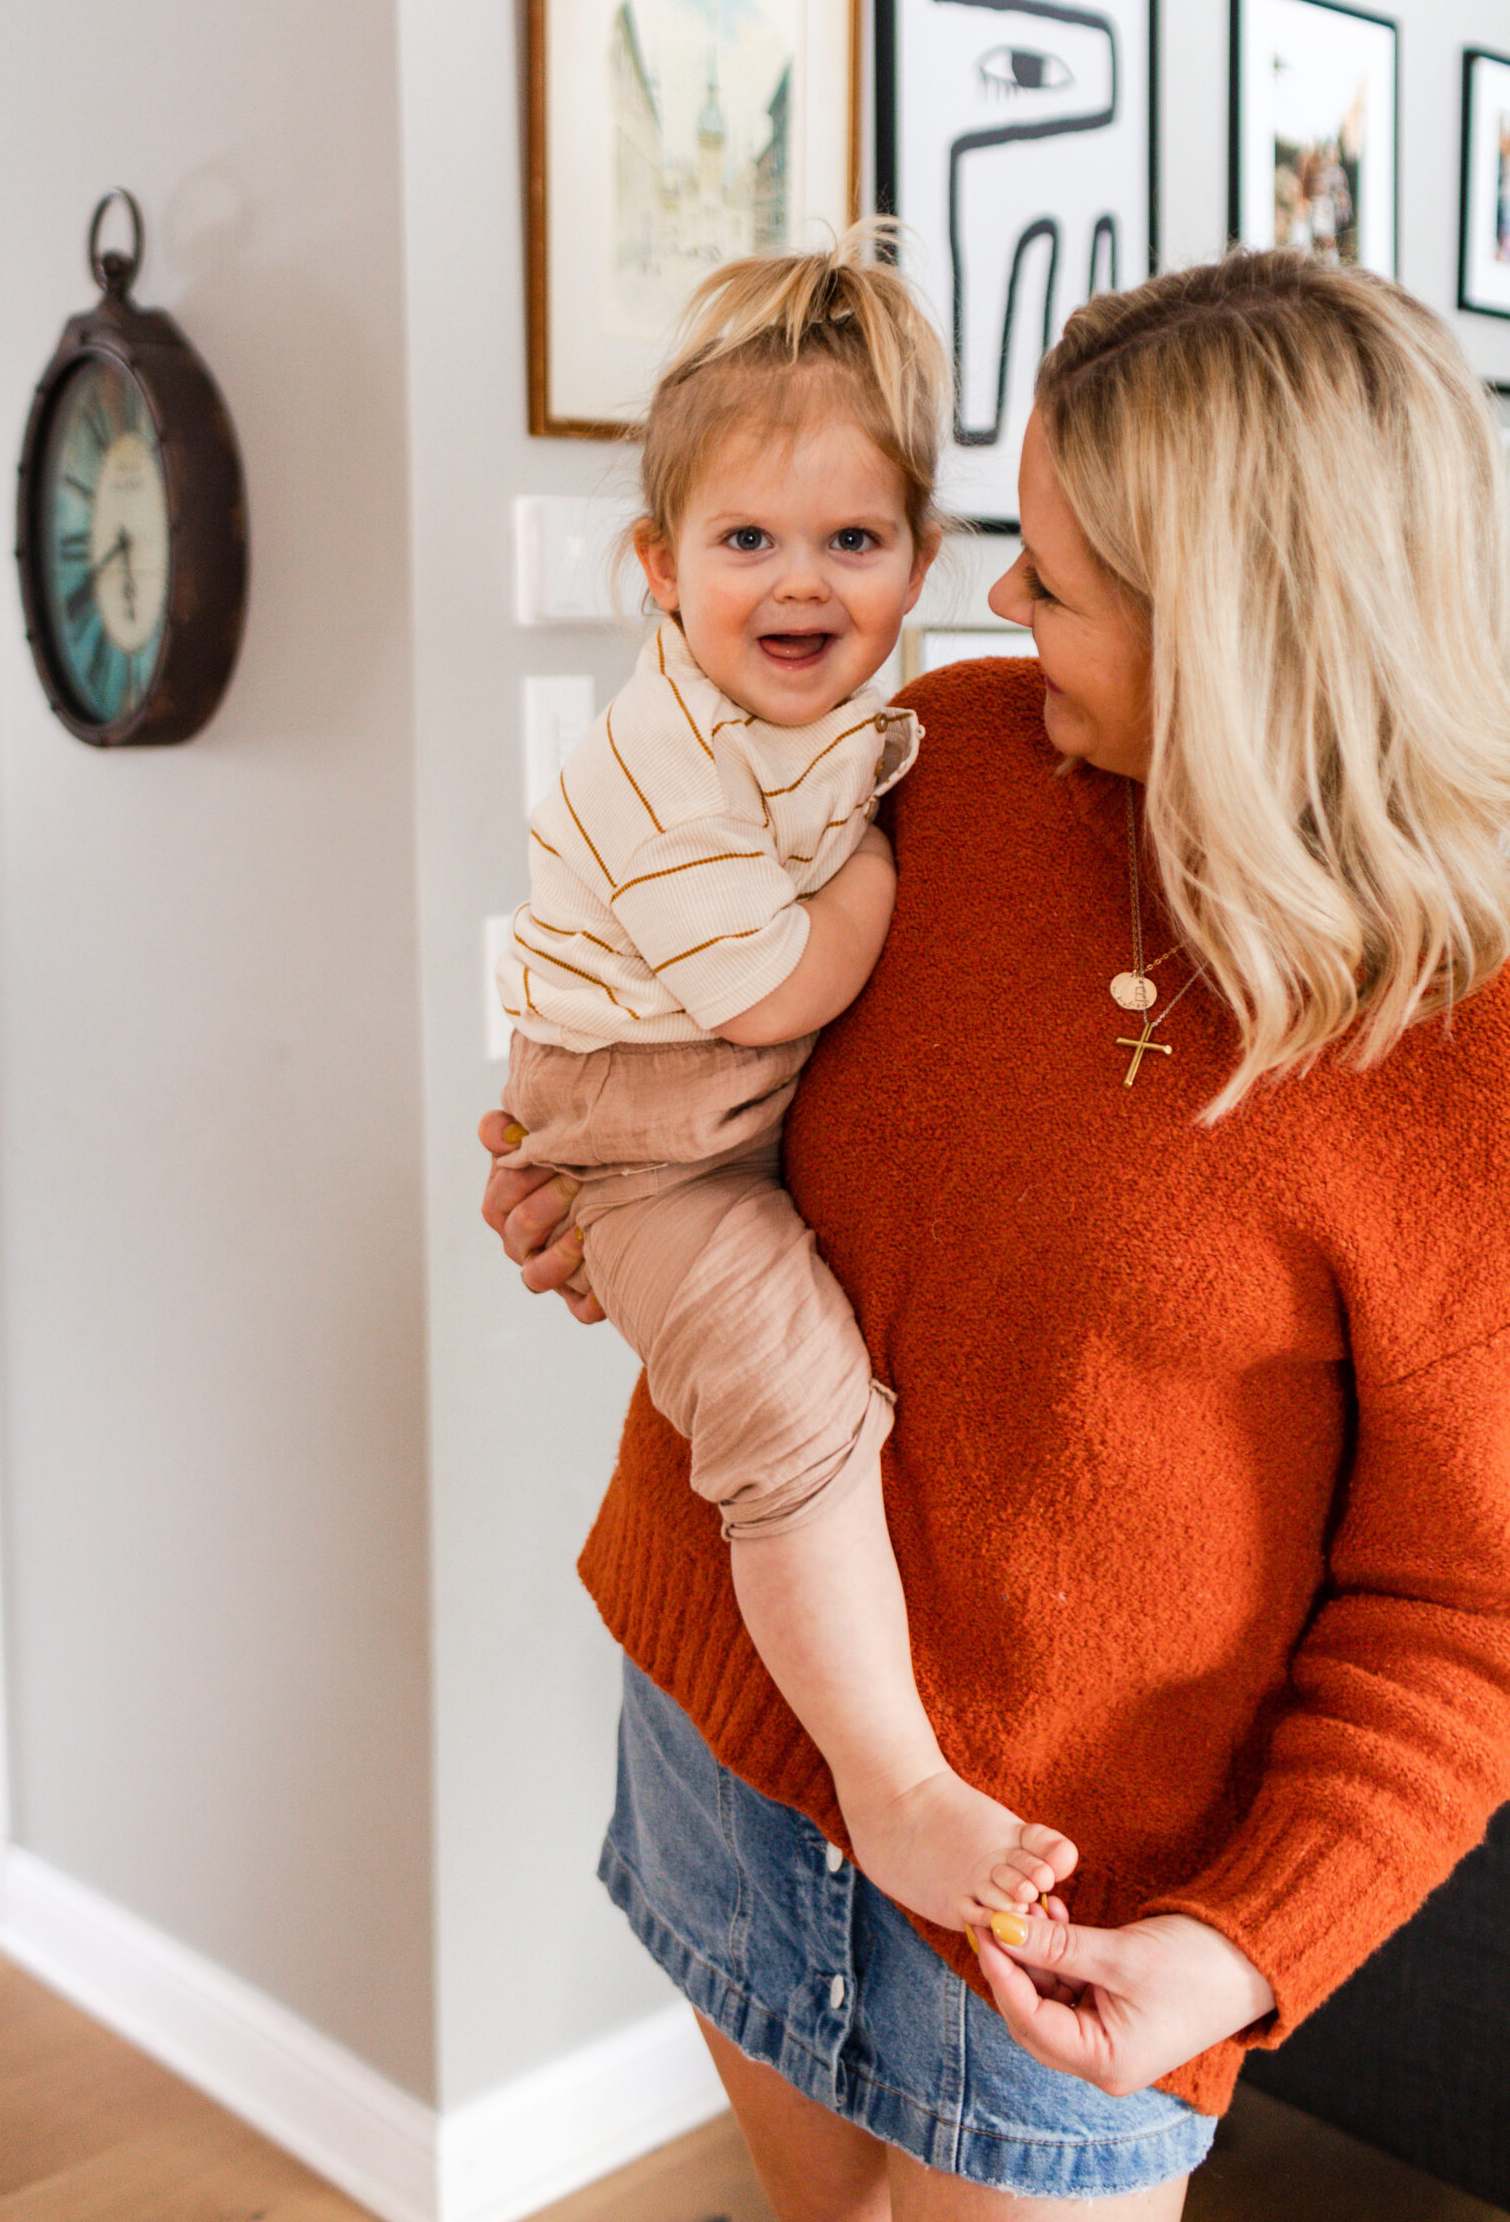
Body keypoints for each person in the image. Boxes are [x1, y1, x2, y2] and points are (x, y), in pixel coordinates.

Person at [483, 245, 1510, 2217]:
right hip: (732, 1739)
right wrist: (579, 1194)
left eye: (1050, 573)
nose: (988, 602)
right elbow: (759, 1159)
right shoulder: (930, 763)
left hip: (1075, 1914)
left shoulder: (1460, 1048)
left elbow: (1460, 1624)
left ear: (1239, 622)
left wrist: (1233, 1944)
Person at [496, 235, 1076, 1938]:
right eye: (747, 541)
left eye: (854, 541)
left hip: (699, 1111)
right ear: (659, 569)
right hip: (650, 1144)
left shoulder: (849, 725)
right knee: (788, 1406)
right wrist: (883, 883)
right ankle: (893, 1779)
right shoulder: (662, 758)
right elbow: (782, 985)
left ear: (923, 561)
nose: (801, 583)